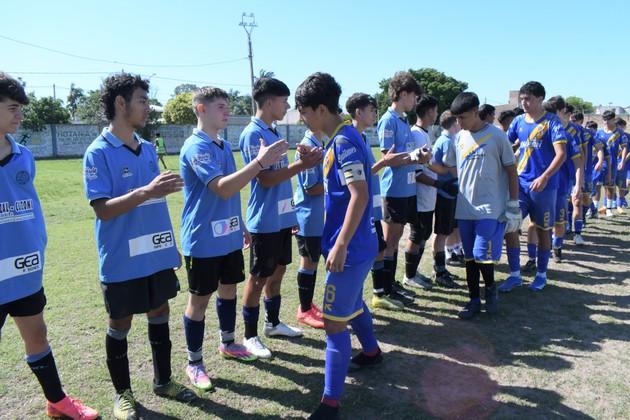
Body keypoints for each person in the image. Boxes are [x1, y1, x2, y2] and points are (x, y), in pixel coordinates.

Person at [83, 73, 195, 420]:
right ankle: (123, 395)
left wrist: (169, 246)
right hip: (121, 258)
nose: (148, 108)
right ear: (121, 103)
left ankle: (163, 381)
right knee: (120, 321)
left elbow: (156, 205)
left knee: (160, 311)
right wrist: (147, 190)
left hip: (155, 253)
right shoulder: (97, 153)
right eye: (142, 101)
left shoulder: (147, 149)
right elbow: (103, 209)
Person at [0, 72, 98, 420]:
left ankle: (57, 401)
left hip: (23, 269)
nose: (20, 115)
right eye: (13, 107)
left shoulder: (23, 155)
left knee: (37, 335)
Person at [179, 87, 290, 390]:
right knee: (199, 301)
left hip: (228, 235)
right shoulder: (195, 147)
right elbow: (222, 187)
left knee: (228, 289)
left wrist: (239, 223)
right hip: (203, 239)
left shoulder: (224, 146)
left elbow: (232, 192)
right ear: (201, 110)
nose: (227, 111)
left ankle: (228, 343)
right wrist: (260, 163)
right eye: (220, 107)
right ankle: (194, 363)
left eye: (227, 106)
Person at [296, 72, 380, 420]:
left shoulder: (344, 141)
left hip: (352, 248)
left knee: (333, 323)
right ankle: (372, 352)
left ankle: (330, 405)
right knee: (353, 304)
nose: (301, 118)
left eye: (304, 112)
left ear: (320, 109)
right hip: (358, 243)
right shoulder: (342, 137)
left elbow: (359, 194)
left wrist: (341, 244)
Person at [238, 77, 323, 359]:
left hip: (283, 219)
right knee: (258, 278)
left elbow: (282, 180)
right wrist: (301, 165)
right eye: (284, 101)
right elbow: (264, 179)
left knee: (278, 273)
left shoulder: (273, 132)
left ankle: (272, 323)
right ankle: (249, 335)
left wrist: (291, 214)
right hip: (264, 221)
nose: (288, 107)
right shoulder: (253, 134)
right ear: (269, 101)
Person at [445, 92, 519, 319]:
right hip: (465, 209)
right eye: (456, 118)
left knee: (481, 254)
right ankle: (474, 300)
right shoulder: (458, 138)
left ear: (476, 112)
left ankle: (491, 289)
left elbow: (511, 171)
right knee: (469, 257)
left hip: (490, 208)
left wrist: (513, 204)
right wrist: (425, 162)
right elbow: (449, 167)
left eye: (463, 117)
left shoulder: (497, 136)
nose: (459, 122)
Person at [346, 93, 413, 311]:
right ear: (358, 112)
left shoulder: (364, 137)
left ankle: (380, 294)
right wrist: (384, 162)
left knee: (379, 248)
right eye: (372, 110)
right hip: (359, 207)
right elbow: (359, 176)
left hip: (370, 206)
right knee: (364, 252)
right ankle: (356, 299)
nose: (375, 114)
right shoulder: (349, 139)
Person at [500, 81, 566, 292]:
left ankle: (541, 275)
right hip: (520, 185)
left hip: (544, 187)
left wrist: (545, 177)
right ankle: (515, 275)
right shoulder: (518, 121)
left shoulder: (552, 122)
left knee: (542, 230)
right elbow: (507, 144)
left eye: (528, 99)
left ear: (539, 99)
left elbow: (561, 154)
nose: (524, 103)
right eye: (522, 99)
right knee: (511, 225)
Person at [405, 95, 460, 290]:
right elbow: (416, 171)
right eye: (436, 110)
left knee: (425, 232)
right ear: (429, 112)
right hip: (420, 195)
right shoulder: (416, 135)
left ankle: (414, 272)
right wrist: (440, 185)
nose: (437, 114)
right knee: (418, 233)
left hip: (429, 195)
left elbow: (428, 165)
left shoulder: (424, 133)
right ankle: (409, 275)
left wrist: (441, 177)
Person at [377, 72, 423, 306]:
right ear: (403, 94)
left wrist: (419, 156)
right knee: (390, 240)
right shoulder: (388, 120)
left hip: (406, 190)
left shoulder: (403, 120)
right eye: (414, 96)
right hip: (393, 190)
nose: (415, 101)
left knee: (395, 239)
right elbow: (388, 157)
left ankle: (391, 283)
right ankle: (385, 288)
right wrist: (414, 156)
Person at [294, 129, 326, 328]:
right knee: (308, 262)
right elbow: (311, 188)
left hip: (318, 216)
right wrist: (340, 185)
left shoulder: (319, 143)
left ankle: (308, 305)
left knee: (313, 263)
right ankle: (304, 310)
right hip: (309, 217)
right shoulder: (308, 147)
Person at [597, 111, 627, 217]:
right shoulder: (599, 132)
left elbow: (624, 148)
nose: (606, 121)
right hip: (599, 163)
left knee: (610, 185)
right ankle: (595, 208)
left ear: (614, 119)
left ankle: (609, 208)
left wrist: (622, 161)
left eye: (608, 119)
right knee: (597, 185)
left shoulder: (619, 133)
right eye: (604, 119)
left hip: (612, 163)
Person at [613, 117, 629, 211]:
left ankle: (621, 201)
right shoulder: (612, 135)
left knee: (622, 184)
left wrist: (623, 161)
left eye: (617, 125)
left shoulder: (627, 136)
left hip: (624, 163)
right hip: (613, 163)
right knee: (612, 183)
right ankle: (614, 202)